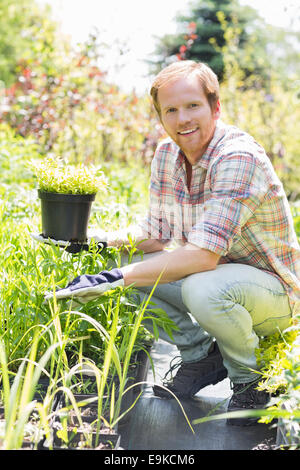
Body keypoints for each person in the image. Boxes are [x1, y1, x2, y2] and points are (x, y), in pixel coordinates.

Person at [47, 60, 300, 426]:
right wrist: (92, 242)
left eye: (193, 106)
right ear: (161, 118)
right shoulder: (168, 155)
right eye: (171, 110)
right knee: (130, 256)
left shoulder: (237, 157)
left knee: (195, 285)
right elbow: (156, 231)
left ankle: (251, 381)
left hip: (275, 294)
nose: (183, 119)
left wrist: (116, 277)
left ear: (215, 107)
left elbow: (203, 256)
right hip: (223, 279)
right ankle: (200, 357)